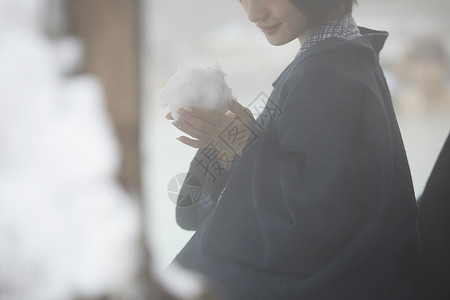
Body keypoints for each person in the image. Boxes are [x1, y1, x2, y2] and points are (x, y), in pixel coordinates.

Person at [166, 0, 420, 299]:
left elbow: (308, 231)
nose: (253, 13)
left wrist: (238, 142)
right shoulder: (337, 58)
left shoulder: (326, 76)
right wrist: (230, 143)